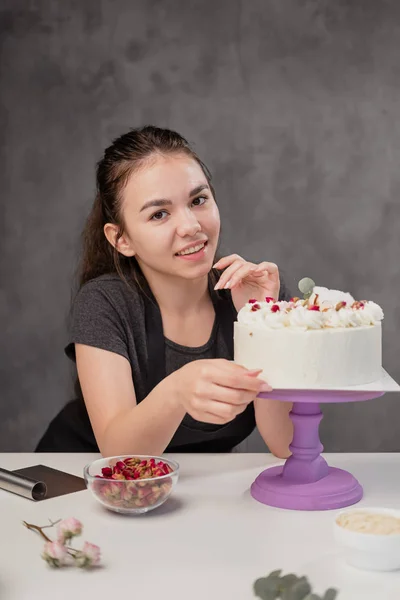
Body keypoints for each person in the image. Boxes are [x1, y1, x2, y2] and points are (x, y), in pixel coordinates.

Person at [36, 126, 293, 457]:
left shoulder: (256, 292)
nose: (190, 226)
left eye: (198, 200)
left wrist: (263, 325)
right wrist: (177, 391)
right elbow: (119, 454)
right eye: (159, 214)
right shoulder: (104, 304)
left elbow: (286, 444)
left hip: (196, 490)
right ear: (121, 239)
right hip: (83, 479)